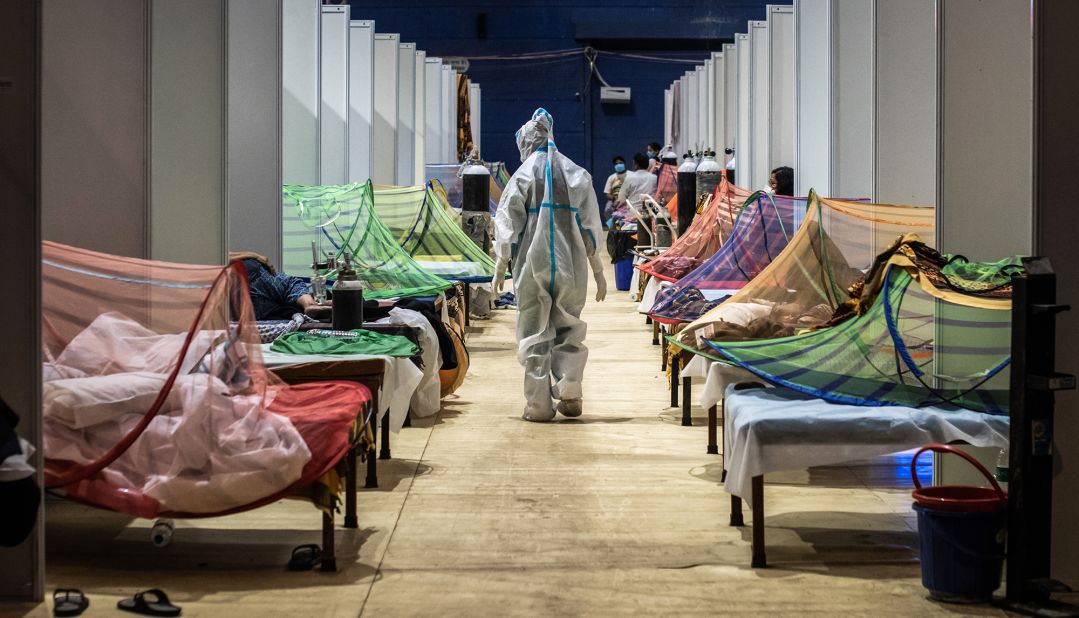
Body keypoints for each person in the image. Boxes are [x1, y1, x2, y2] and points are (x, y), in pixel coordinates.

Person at [493, 108, 607, 422]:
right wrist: (598, 271)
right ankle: (570, 385)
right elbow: (590, 226)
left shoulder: (523, 175)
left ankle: (539, 405)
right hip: (571, 266)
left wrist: (501, 262)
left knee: (533, 330)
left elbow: (507, 222)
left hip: (532, 264)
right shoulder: (575, 172)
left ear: (527, 142)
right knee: (570, 325)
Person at [229, 252, 317, 320]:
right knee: (290, 285)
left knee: (279, 311)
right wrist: (255, 256)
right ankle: (308, 304)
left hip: (237, 301)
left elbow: (223, 255)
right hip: (248, 273)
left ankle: (306, 306)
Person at [602, 155, 627, 223]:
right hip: (615, 200)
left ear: (624, 163)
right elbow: (607, 193)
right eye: (616, 164)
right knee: (607, 209)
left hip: (628, 200)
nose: (619, 165)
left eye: (620, 163)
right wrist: (614, 199)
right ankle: (611, 226)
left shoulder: (630, 175)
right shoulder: (611, 177)